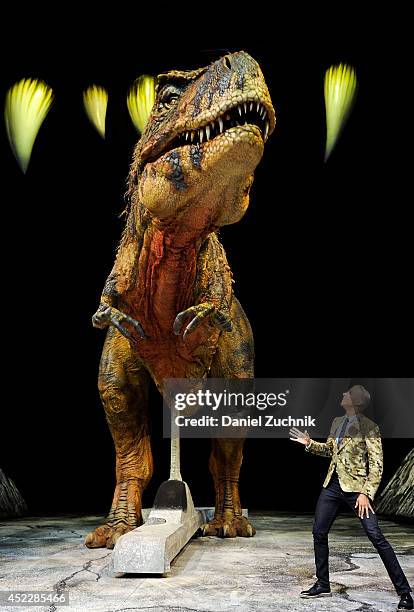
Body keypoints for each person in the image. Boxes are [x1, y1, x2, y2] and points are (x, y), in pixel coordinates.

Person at [290, 384, 413, 611]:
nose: (343, 395)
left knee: (376, 537)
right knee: (319, 531)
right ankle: (323, 583)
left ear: (355, 401)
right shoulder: (338, 422)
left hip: (357, 490)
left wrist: (366, 493)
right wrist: (309, 444)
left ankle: (404, 592)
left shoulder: (370, 427)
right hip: (333, 486)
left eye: (347, 393)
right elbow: (330, 450)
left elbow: (377, 466)